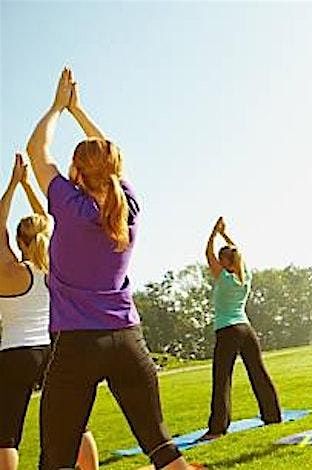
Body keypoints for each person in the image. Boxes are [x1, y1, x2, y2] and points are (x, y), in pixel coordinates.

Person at [25, 67, 197, 470]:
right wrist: (80, 111)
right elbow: (112, 161)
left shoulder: (71, 205)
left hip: (77, 347)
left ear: (77, 173)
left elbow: (37, 149)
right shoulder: (129, 206)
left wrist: (58, 107)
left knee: (56, 460)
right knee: (162, 448)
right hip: (127, 342)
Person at [0, 154, 98, 470]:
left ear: (18, 241)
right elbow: (49, 220)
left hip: (15, 355)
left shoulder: (9, 272)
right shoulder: (57, 265)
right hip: (55, 349)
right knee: (75, 423)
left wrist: (13, 185)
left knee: (6, 435)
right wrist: (29, 185)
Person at [199, 217, 282, 441]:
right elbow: (238, 254)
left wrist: (213, 233)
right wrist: (225, 236)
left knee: (222, 378)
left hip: (228, 330)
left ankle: (217, 428)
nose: (216, 261)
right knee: (259, 372)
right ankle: (273, 415)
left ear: (226, 262)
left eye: (220, 259)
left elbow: (207, 253)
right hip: (246, 329)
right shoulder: (245, 277)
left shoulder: (225, 278)